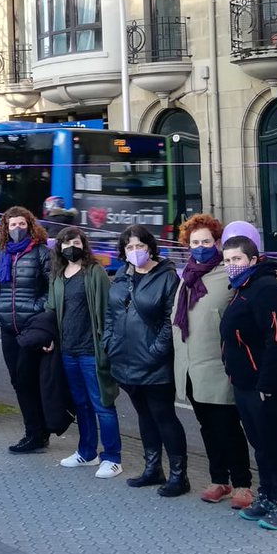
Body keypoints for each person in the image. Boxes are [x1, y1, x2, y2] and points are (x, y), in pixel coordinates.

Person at [219, 236, 277, 530]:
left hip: (273, 384)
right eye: (227, 260)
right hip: (246, 381)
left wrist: (266, 385)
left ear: (253, 260)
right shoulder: (243, 287)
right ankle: (268, 495)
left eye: (237, 259)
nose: (231, 265)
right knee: (261, 444)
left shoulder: (268, 290)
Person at [171, 213, 253, 507]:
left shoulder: (227, 271)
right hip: (191, 367)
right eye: (195, 242)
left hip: (218, 367)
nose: (201, 246)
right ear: (187, 245)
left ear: (217, 242)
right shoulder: (187, 277)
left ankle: (243, 483)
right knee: (207, 427)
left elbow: (256, 284)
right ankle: (219, 479)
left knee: (229, 427)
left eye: (206, 241)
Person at [105, 224, 188, 496]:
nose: (135, 251)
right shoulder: (121, 275)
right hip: (124, 360)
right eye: (129, 247)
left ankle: (179, 475)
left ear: (150, 247)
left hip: (154, 363)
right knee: (144, 416)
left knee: (164, 416)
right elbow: (111, 313)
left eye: (140, 245)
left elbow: (169, 320)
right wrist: (109, 343)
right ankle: (153, 468)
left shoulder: (167, 276)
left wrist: (155, 352)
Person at [47, 226, 122, 479]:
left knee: (102, 404)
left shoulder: (94, 273)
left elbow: (107, 310)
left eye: (76, 242)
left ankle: (112, 457)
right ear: (59, 247)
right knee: (81, 406)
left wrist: (105, 344)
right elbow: (51, 309)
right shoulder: (58, 275)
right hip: (68, 352)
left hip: (92, 351)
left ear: (83, 244)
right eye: (66, 243)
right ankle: (86, 452)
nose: (71, 247)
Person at [0, 206, 52, 452]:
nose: (17, 229)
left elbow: (51, 287)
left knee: (28, 379)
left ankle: (35, 433)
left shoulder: (40, 252)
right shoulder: (4, 254)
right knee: (17, 380)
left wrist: (37, 308)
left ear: (30, 225)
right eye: (13, 225)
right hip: (7, 326)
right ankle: (36, 430)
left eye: (21, 224)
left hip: (31, 327)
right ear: (6, 228)